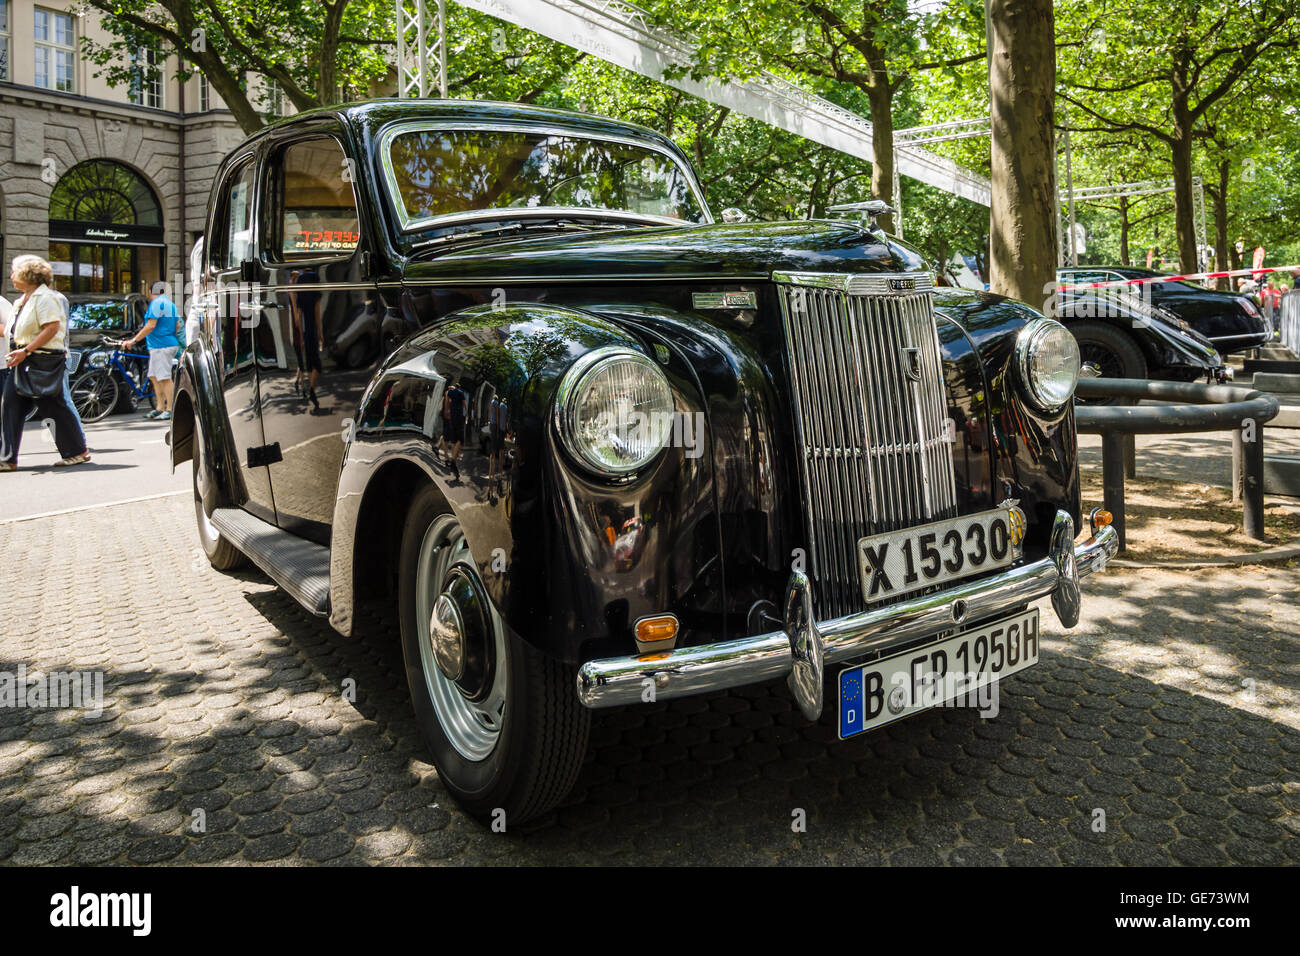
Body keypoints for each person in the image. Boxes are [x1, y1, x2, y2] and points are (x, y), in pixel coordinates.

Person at [1, 255, 91, 470]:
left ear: (28, 275)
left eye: (15, 271)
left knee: (52, 405)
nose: (11, 275)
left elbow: (51, 328)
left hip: (41, 359)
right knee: (11, 405)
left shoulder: (45, 298)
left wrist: (26, 350)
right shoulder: (22, 300)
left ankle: (77, 451)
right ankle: (6, 458)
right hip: (23, 360)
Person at [123, 280, 183, 421]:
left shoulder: (156, 304)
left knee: (164, 378)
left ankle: (170, 409)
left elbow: (150, 325)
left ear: (150, 292)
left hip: (161, 346)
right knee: (154, 376)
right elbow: (178, 325)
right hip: (164, 344)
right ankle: (160, 407)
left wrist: (134, 340)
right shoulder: (170, 304)